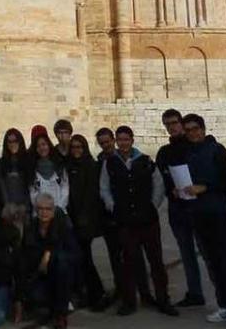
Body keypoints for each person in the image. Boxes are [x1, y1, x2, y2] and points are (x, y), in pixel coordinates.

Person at [100, 126, 178, 317]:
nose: (123, 143)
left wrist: (153, 205)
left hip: (148, 220)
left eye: (126, 139)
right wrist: (112, 206)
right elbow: (104, 187)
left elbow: (158, 184)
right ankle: (129, 301)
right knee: (128, 262)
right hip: (125, 220)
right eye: (120, 140)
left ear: (132, 140)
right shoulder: (109, 163)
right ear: (116, 142)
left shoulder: (145, 161)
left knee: (156, 262)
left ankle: (163, 300)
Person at [181, 114, 226, 329]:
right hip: (198, 213)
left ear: (202, 129)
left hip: (218, 213)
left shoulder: (217, 150)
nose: (192, 133)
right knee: (212, 263)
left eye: (195, 128)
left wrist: (206, 187)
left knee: (225, 263)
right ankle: (225, 306)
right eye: (188, 129)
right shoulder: (188, 152)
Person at [94, 127, 153, 307]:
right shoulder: (101, 162)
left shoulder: (135, 159)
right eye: (102, 143)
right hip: (111, 216)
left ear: (114, 140)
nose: (106, 145)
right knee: (117, 257)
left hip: (132, 215)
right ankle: (123, 291)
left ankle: (144, 292)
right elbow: (102, 188)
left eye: (108, 141)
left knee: (135, 255)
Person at [155, 109, 207, 308]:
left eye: (174, 122)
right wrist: (171, 191)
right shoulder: (164, 152)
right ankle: (195, 293)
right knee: (186, 253)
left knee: (208, 251)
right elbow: (161, 179)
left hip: (199, 206)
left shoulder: (195, 147)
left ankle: (224, 298)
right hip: (177, 208)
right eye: (167, 124)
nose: (172, 127)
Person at [20, 193, 78, 329]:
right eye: (40, 208)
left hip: (60, 275)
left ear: (53, 210)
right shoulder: (30, 228)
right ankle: (47, 309)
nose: (44, 212)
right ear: (36, 210)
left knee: (62, 261)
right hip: (38, 275)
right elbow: (23, 257)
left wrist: (49, 256)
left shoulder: (63, 226)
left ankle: (61, 314)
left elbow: (75, 254)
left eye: (47, 209)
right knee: (36, 297)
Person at [65, 134, 109, 311]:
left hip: (85, 221)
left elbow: (91, 194)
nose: (76, 150)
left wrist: (84, 218)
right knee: (80, 258)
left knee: (85, 258)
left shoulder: (91, 166)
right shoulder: (68, 167)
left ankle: (97, 293)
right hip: (73, 219)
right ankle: (90, 293)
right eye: (73, 147)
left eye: (79, 147)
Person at [0, 128, 33, 233]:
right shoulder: (1, 163)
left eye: (15, 141)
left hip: (25, 208)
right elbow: (1, 185)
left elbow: (30, 185)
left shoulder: (27, 161)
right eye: (10, 141)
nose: (13, 144)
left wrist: (25, 206)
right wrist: (8, 205)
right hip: (9, 209)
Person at [29, 134, 68, 212]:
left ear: (49, 145)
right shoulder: (31, 168)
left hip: (59, 211)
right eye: (38, 146)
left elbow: (65, 189)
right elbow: (33, 193)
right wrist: (43, 209)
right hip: (40, 213)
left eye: (44, 144)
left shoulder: (59, 165)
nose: (41, 148)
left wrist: (58, 207)